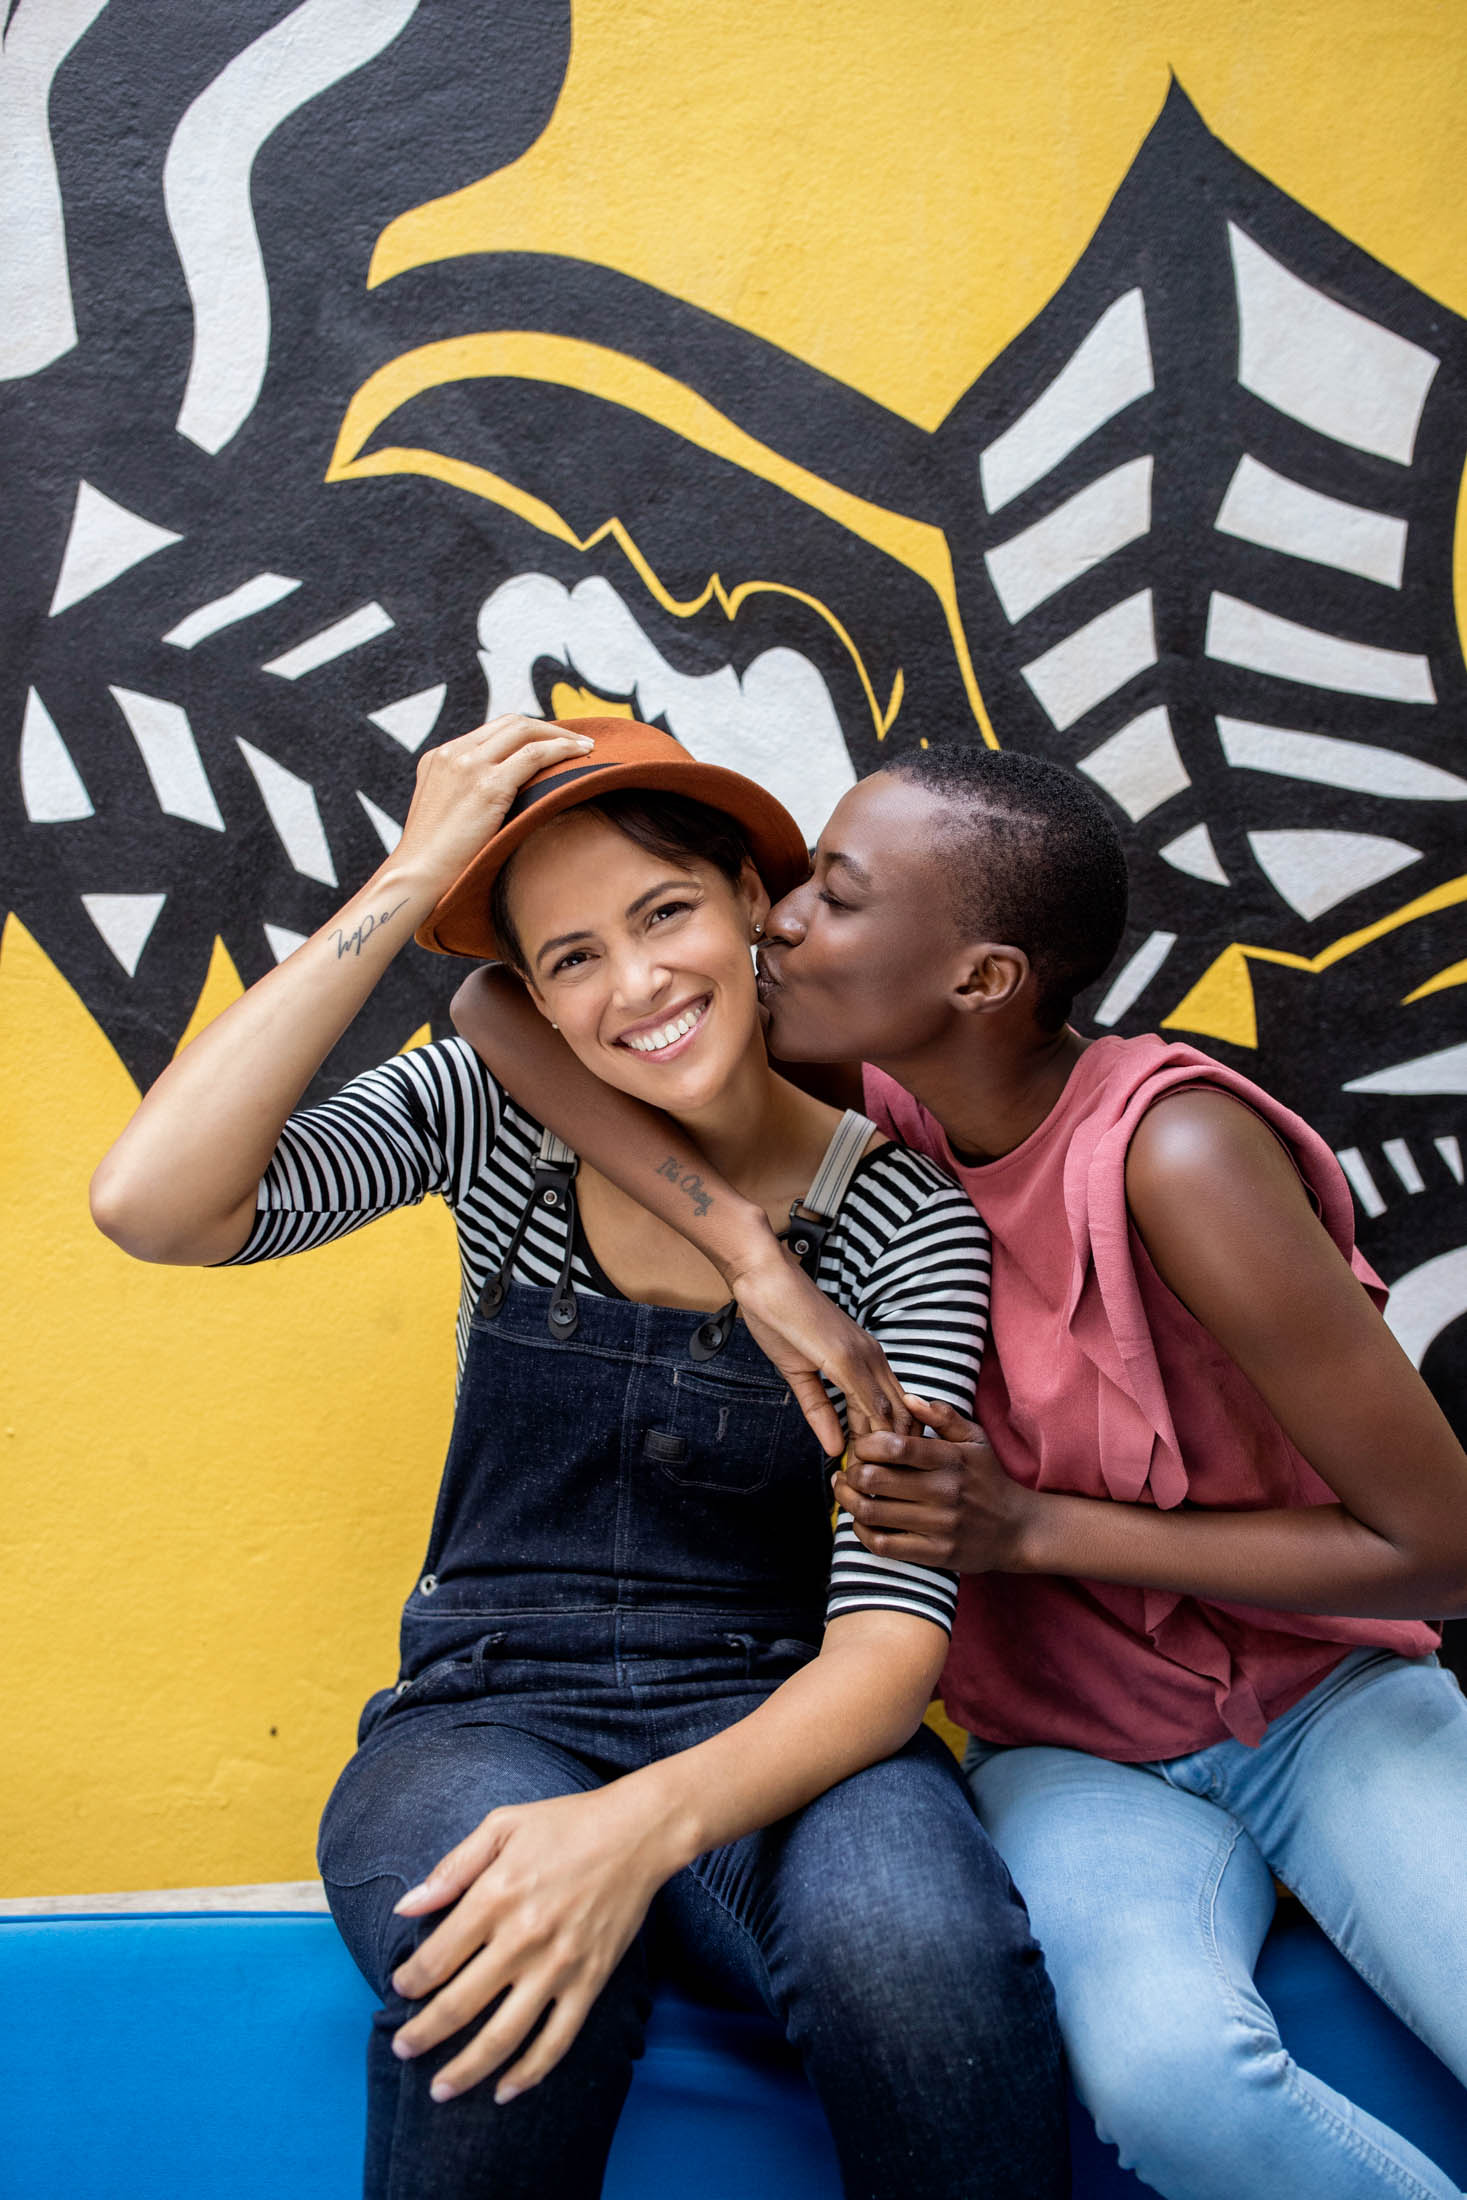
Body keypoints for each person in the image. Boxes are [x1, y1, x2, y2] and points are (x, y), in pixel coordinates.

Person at [453, 739, 1467, 2200]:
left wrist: (1034, 1530)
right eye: (799, 886)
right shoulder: (883, 1092)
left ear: (981, 979)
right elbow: (494, 1006)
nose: (779, 919)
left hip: (1325, 1705)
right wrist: (746, 1249)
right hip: (1067, 1759)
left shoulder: (1174, 1155)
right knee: (1170, 2080)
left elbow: (1442, 1546)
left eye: (836, 899)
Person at [89, 716, 1066, 2200]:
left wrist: (629, 1833)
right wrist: (412, 872)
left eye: (665, 914)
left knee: (923, 1957)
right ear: (535, 993)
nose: (638, 988)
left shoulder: (904, 1224)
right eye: (573, 960)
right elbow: (155, 1203)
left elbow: (882, 1656)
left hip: (783, 1718)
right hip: (488, 1711)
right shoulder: (488, 1119)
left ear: (755, 903)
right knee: (486, 1955)